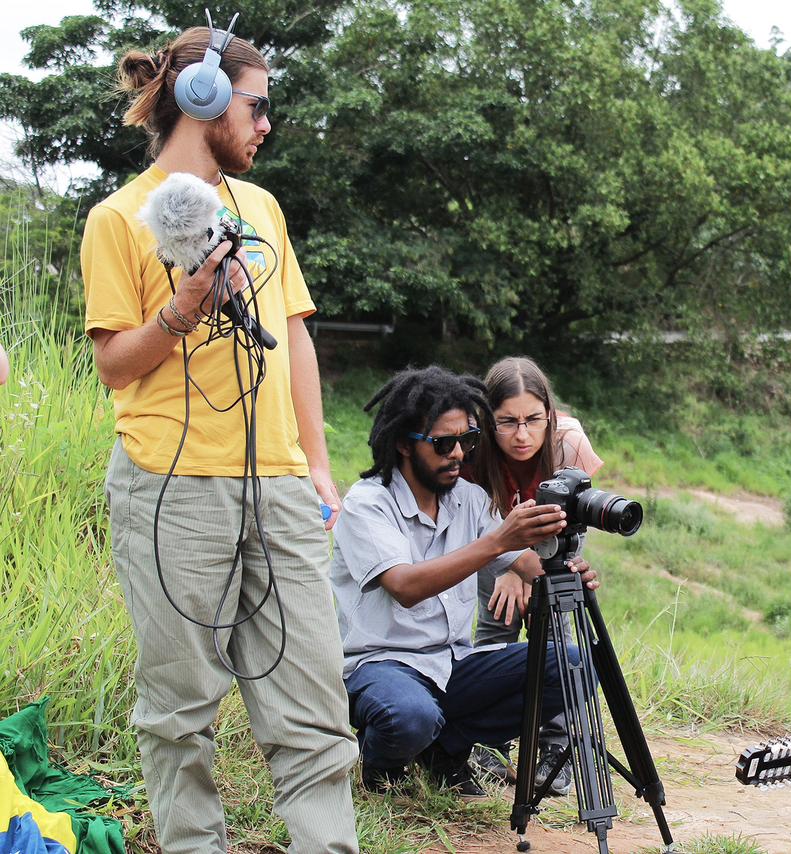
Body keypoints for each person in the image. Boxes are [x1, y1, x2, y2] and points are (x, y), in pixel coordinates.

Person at [80, 23, 357, 853]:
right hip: (169, 490)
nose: (268, 123)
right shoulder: (118, 219)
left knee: (314, 707)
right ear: (201, 98)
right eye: (257, 105)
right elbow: (115, 365)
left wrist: (316, 463)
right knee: (179, 713)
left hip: (278, 486)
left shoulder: (264, 209)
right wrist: (183, 309)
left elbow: (297, 336)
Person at [331, 366, 599, 797]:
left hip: (451, 663)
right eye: (443, 443)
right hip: (382, 665)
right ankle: (383, 763)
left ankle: (446, 747)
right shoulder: (368, 505)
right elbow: (405, 586)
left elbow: (524, 560)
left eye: (468, 440)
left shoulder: (469, 500)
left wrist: (566, 572)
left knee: (575, 662)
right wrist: (496, 543)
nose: (458, 453)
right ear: (403, 443)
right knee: (409, 717)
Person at [466, 356, 603, 795]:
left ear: (550, 414)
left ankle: (556, 748)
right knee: (496, 620)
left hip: (555, 543)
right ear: (488, 421)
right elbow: (480, 522)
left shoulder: (569, 444)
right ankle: (488, 742)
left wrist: (533, 572)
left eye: (532, 420)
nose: (522, 435)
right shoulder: (471, 449)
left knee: (556, 634)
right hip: (497, 539)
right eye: (507, 422)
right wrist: (511, 566)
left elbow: (576, 519)